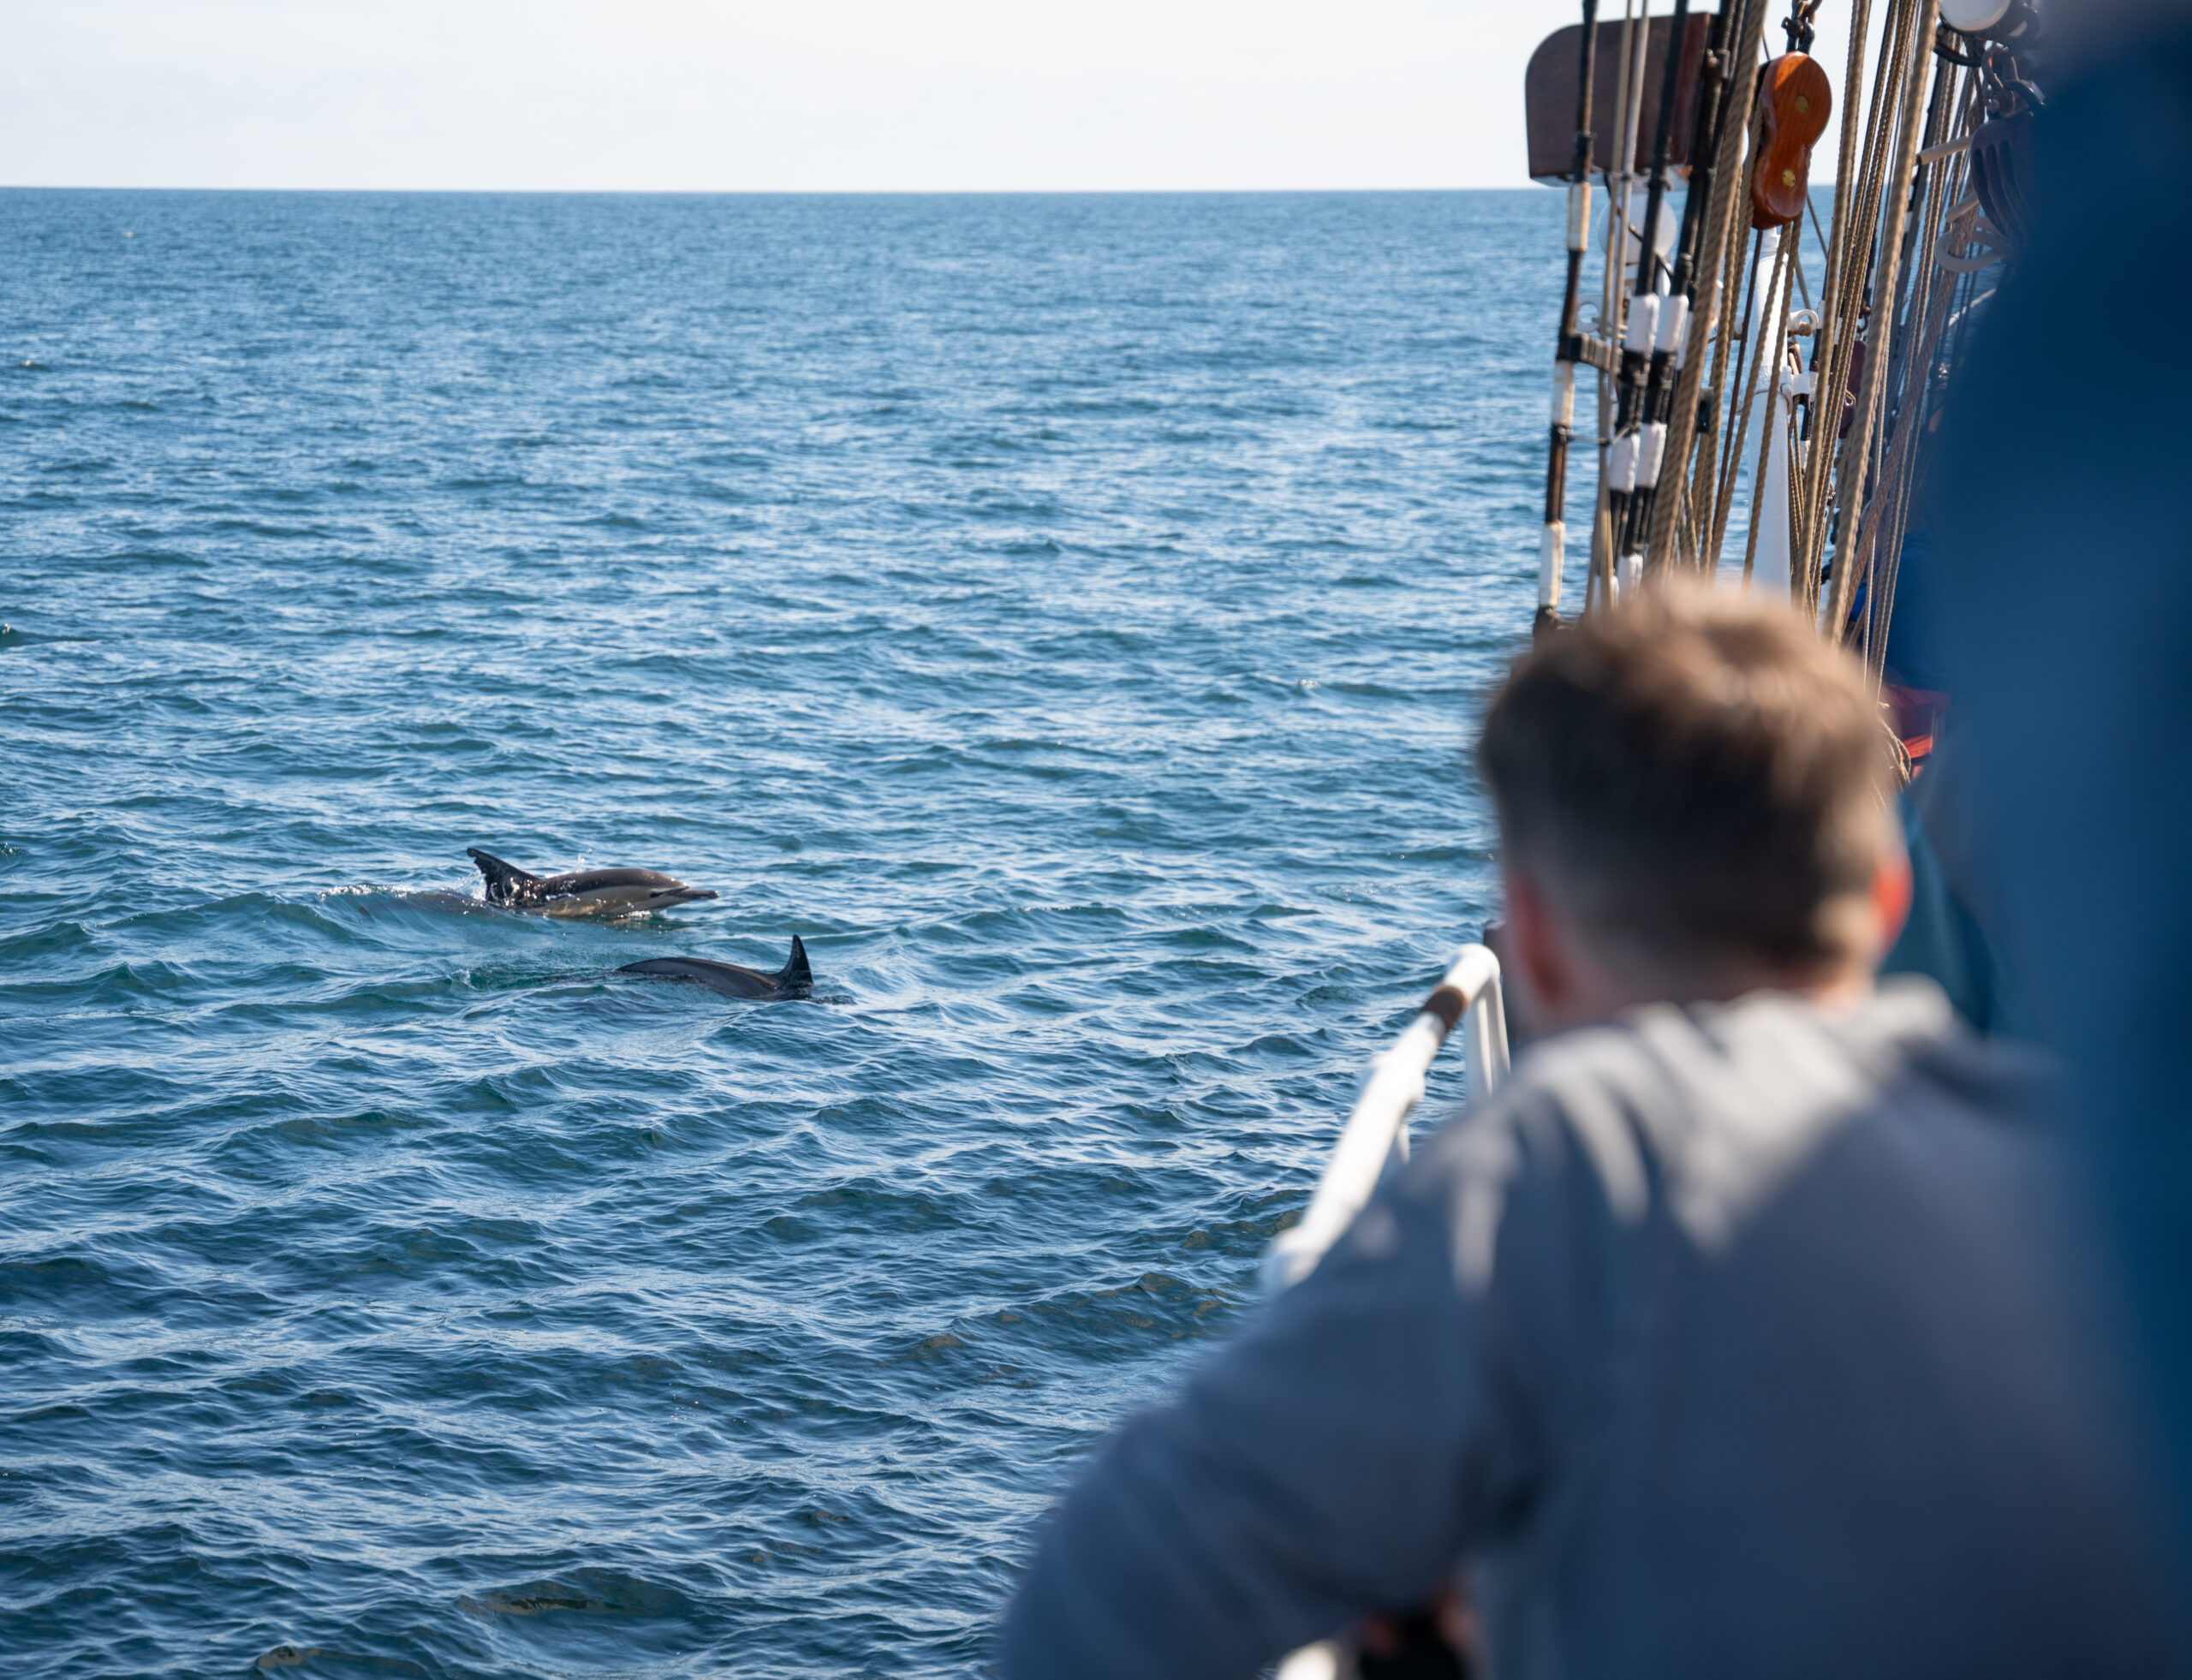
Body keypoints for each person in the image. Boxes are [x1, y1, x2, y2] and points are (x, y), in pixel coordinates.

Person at [1000, 586, 2177, 1679]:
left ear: (1532, 936)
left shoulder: (1575, 1160)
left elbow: (1098, 1600)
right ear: (1886, 897)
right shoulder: (2091, 1189)